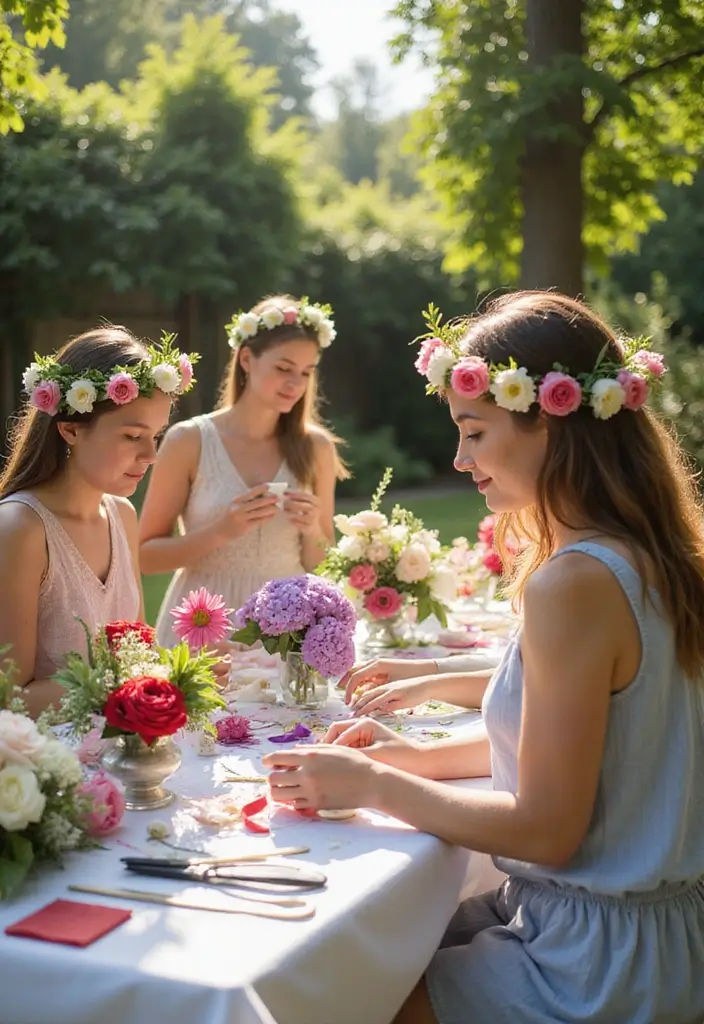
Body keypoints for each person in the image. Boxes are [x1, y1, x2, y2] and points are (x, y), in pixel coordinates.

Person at [263, 291, 704, 1024]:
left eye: (473, 430)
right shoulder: (652, 555)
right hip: (651, 934)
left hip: (596, 964)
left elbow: (547, 831)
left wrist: (373, 784)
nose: (460, 459)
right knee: (383, 949)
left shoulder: (579, 581)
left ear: (553, 425)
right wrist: (404, 758)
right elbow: (585, 756)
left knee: (338, 999)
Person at [0, 327, 196, 717]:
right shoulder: (19, 529)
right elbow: (10, 697)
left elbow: (138, 653)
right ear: (70, 429)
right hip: (45, 766)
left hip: (121, 752)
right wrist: (133, 682)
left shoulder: (122, 516)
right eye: (132, 436)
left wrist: (185, 671)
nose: (151, 455)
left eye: (156, 435)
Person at [139, 294, 348, 647]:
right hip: (203, 624)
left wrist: (312, 528)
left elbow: (321, 563)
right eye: (283, 368)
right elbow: (144, 556)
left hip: (287, 632)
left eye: (305, 373)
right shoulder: (189, 440)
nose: (295, 384)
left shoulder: (317, 448)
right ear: (247, 359)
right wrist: (223, 530)